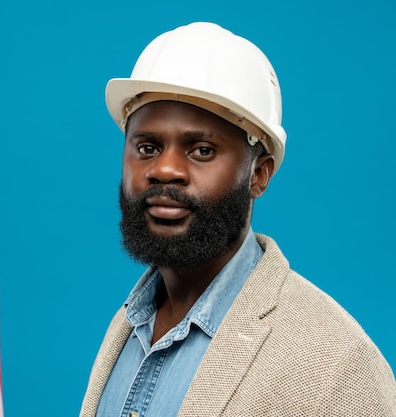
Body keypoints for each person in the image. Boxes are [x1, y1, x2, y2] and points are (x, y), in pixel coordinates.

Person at [79, 22, 395, 417]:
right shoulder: (130, 325)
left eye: (202, 150)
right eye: (147, 146)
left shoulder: (337, 366)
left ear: (259, 174)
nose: (164, 169)